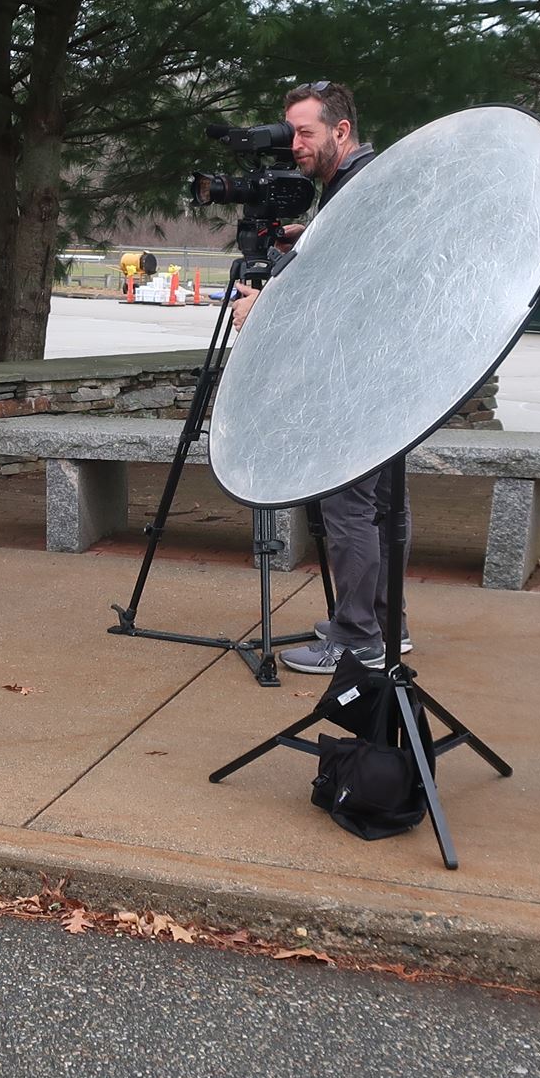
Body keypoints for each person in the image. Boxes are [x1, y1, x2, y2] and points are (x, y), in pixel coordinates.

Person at [228, 79, 413, 675]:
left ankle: (356, 638)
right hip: (387, 370)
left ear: (341, 130)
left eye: (305, 133)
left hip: (357, 374)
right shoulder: (366, 182)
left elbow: (350, 288)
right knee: (381, 504)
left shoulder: (358, 187)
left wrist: (266, 306)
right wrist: (308, 236)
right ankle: (385, 624)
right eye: (290, 133)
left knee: (349, 504)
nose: (295, 145)